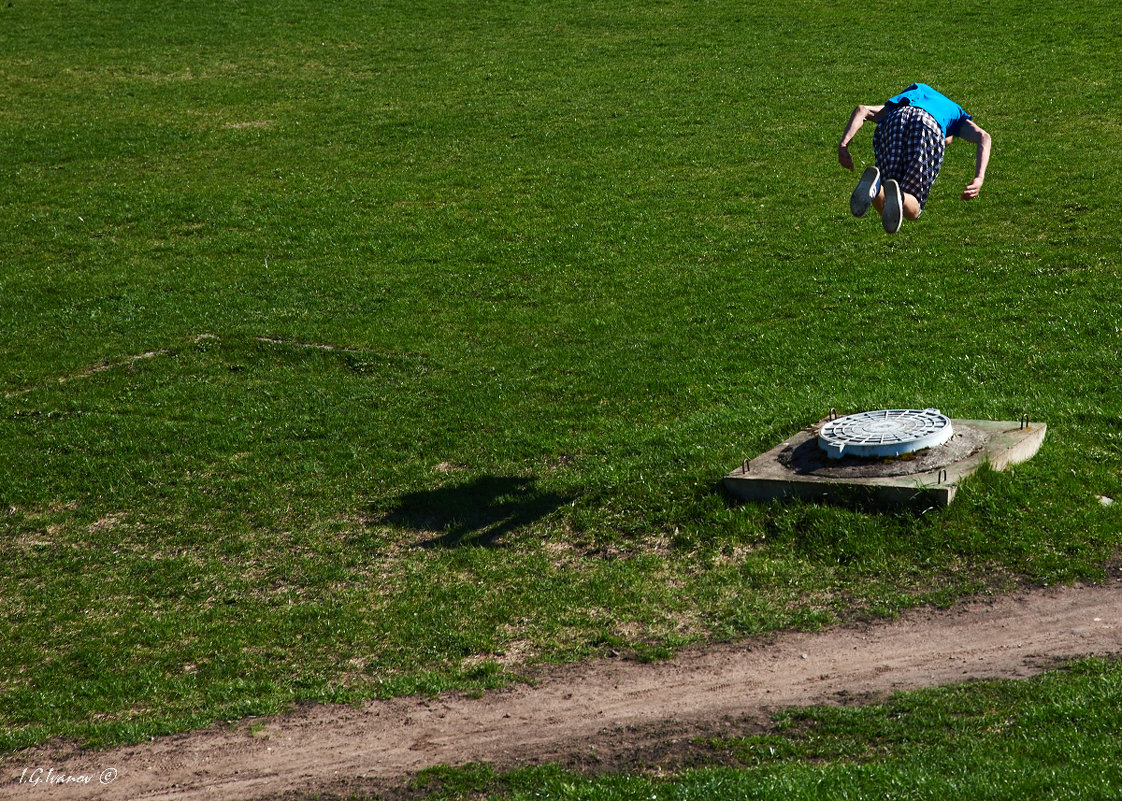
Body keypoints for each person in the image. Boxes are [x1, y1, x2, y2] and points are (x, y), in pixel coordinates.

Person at [837, 83, 991, 233]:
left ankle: (875, 189)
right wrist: (979, 178)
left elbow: (862, 110)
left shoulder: (915, 92)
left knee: (887, 194)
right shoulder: (955, 112)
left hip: (894, 121)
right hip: (928, 125)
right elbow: (983, 136)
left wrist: (844, 145)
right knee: (914, 209)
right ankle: (900, 196)